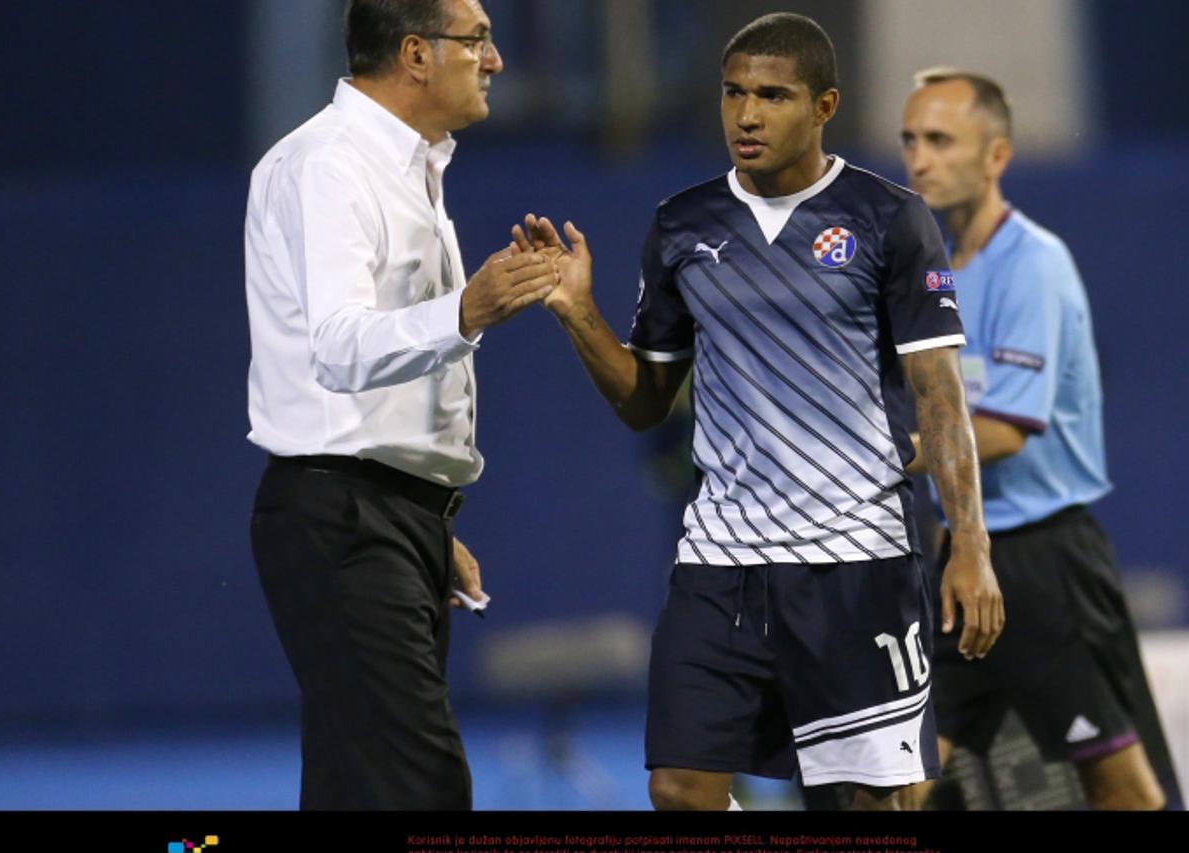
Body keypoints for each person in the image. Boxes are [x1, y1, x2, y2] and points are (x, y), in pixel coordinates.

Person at [514, 13, 1003, 811]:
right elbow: (646, 401)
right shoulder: (682, 226)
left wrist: (970, 547)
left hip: (857, 563)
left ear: (824, 105)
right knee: (679, 789)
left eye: (773, 95)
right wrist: (578, 313)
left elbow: (940, 401)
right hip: (720, 564)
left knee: (864, 805)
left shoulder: (889, 219)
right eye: (734, 93)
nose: (746, 114)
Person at [243, 0, 558, 810]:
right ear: (416, 54)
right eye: (478, 40)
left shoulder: (407, 166)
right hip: (342, 520)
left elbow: (389, 376)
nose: (494, 61)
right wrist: (468, 311)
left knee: (358, 789)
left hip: (383, 515)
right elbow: (341, 346)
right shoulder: (328, 165)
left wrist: (426, 511)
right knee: (422, 790)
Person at [900, 69, 1183, 810]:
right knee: (898, 780)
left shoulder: (1034, 263)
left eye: (940, 140)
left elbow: (999, 433)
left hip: (1047, 566)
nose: (919, 159)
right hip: (965, 560)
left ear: (996, 157)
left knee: (1119, 784)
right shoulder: (927, 278)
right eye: (910, 140)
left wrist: (873, 460)